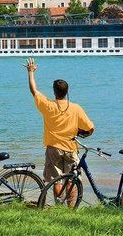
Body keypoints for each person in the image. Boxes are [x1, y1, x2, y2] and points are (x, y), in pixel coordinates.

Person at [24, 58, 94, 205]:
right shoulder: (76, 108)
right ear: (67, 92)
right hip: (71, 148)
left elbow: (33, 90)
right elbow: (90, 129)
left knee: (56, 180)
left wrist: (30, 72)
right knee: (71, 179)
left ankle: (58, 206)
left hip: (54, 148)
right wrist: (80, 133)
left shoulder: (48, 106)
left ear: (54, 92)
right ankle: (69, 208)